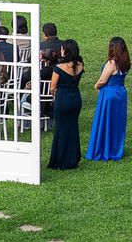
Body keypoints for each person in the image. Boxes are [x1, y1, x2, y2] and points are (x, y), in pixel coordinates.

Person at [85, 37, 129, 162]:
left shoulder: (112, 63)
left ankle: (102, 148)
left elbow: (103, 80)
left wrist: (96, 85)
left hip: (109, 94)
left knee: (105, 121)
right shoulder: (125, 62)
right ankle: (115, 149)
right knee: (116, 122)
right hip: (120, 93)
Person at [48, 39, 84, 170]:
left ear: (65, 51)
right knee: (73, 128)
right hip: (75, 99)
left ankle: (61, 160)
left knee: (61, 130)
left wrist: (54, 95)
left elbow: (52, 87)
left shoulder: (59, 67)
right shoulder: (80, 64)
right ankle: (73, 158)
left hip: (63, 99)